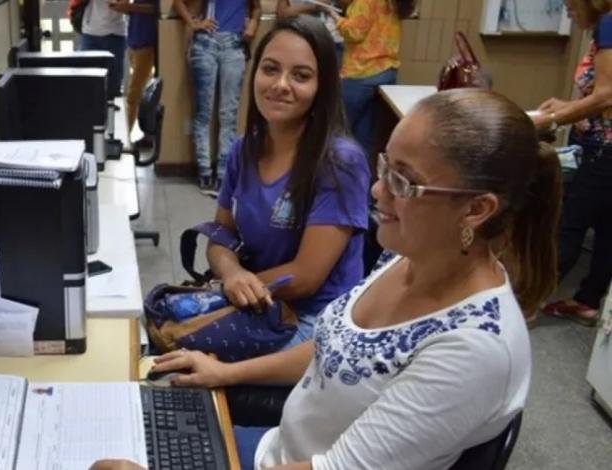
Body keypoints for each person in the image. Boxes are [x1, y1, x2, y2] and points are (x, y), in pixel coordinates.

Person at [96, 88, 560, 470]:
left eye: (404, 182)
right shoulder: (411, 255)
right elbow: (336, 350)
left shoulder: (474, 350)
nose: (377, 190)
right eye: (384, 166)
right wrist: (225, 372)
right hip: (278, 452)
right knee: (122, 426)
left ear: (477, 209)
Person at [206, 15, 370, 352]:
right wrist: (230, 273)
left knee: (187, 359)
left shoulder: (341, 162)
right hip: (257, 301)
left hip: (314, 322)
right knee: (164, 333)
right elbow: (221, 234)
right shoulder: (244, 148)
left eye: (301, 76)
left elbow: (306, 277)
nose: (280, 84)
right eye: (270, 69)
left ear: (322, 86)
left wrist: (230, 288)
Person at [534, 0, 612, 326]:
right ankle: (587, 301)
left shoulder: (609, 23)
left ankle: (527, 301)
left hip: (606, 149)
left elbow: (608, 95)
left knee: (567, 223)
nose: (565, 8)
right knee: (609, 228)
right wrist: (572, 107)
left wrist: (551, 117)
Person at [173, 0, 262, 194]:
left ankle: (224, 174)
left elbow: (257, 7)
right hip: (205, 42)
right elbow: (178, 2)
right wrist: (193, 22)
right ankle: (205, 171)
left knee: (228, 113)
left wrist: (254, 23)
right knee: (203, 112)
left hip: (234, 43)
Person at [322, 0, 414, 156]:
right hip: (386, 70)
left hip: (361, 72)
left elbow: (354, 33)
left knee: (339, 130)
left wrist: (335, 17)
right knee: (366, 134)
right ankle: (363, 175)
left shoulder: (364, 1)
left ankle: (336, 173)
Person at [110, 0, 158, 145]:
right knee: (142, 93)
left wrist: (130, 7)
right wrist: (124, 8)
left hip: (146, 43)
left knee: (133, 95)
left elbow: (156, 9)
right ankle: (148, 135)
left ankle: (124, 139)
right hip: (134, 42)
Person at [80, 0, 128, 96]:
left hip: (114, 33)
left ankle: (110, 108)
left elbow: (123, 5)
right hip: (90, 32)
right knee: (88, 80)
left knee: (113, 84)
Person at [277, 0, 345, 68]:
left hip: (333, 40)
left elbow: (348, 8)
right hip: (302, 41)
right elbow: (282, 14)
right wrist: (313, 6)